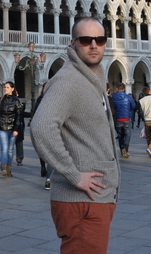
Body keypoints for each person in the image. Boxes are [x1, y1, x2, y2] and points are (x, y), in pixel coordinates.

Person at [31, 17, 120, 253]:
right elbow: (41, 127)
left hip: (93, 200)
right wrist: (74, 174)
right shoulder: (68, 80)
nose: (93, 45)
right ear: (73, 43)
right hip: (82, 202)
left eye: (99, 40)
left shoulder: (90, 78)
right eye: (85, 40)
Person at [0, 82, 24, 178]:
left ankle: (8, 169)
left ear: (12, 89)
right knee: (4, 148)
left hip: (12, 128)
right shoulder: (1, 100)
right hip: (2, 127)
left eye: (7, 87)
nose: (5, 89)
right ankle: (3, 168)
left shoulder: (16, 100)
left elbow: (19, 116)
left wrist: (16, 129)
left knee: (10, 150)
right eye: (5, 87)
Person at [110, 83, 135, 158]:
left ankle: (122, 150)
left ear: (117, 89)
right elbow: (133, 106)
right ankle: (125, 149)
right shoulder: (128, 97)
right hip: (126, 117)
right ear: (124, 89)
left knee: (120, 135)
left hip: (117, 118)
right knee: (127, 134)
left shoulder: (113, 97)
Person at [138, 86, 151, 158]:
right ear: (149, 91)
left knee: (149, 136)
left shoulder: (141, 100)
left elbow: (140, 111)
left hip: (146, 120)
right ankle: (150, 148)